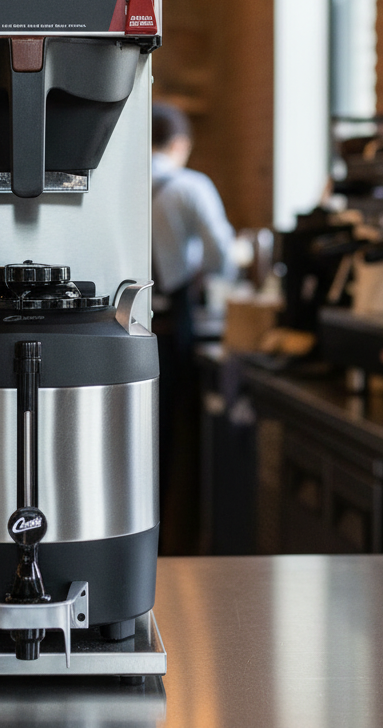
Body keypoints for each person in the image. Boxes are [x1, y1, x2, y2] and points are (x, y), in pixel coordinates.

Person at [150, 102, 235, 554]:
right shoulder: (190, 185)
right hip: (169, 326)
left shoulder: (112, 180)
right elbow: (223, 255)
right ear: (180, 144)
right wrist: (201, 272)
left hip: (115, 324)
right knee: (170, 437)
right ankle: (171, 540)